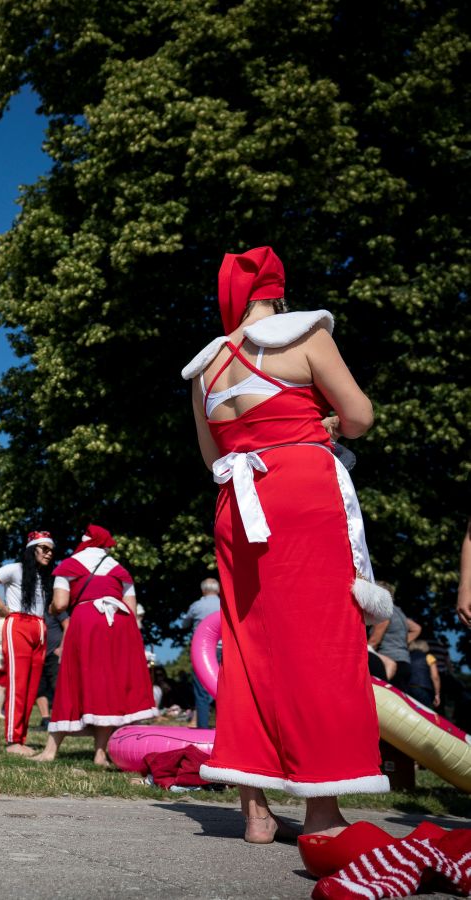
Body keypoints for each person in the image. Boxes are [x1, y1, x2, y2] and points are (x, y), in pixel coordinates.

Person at [183, 246, 390, 843]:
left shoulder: (206, 368)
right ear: (278, 291)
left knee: (249, 646)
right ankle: (322, 811)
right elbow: (359, 415)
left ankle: (255, 810)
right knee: (322, 640)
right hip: (301, 491)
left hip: (238, 503)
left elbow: (212, 457)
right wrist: (322, 425)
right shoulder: (306, 335)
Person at [32, 525, 156, 766]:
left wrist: (52, 610)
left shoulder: (68, 565)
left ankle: (50, 751)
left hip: (86, 623)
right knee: (109, 685)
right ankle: (100, 753)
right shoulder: (120, 569)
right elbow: (131, 609)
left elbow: (60, 602)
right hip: (120, 626)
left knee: (72, 682)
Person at [0, 530, 56, 755]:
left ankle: (21, 738)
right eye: (44, 549)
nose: (49, 554)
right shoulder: (15, 569)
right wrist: (1, 607)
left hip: (40, 628)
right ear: (33, 549)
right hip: (18, 624)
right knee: (18, 683)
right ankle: (13, 740)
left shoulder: (45, 576)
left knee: (32, 687)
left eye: (51, 550)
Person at [178, 578, 222, 729]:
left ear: (203, 590)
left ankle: (203, 728)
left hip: (202, 652)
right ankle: (226, 727)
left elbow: (184, 624)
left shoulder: (197, 605)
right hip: (225, 650)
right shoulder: (225, 604)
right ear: (218, 590)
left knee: (201, 691)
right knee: (224, 688)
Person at [367, 593, 420, 692]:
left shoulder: (384, 610)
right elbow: (416, 628)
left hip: (389, 660)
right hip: (404, 661)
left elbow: (374, 640)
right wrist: (401, 642)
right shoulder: (399, 612)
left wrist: (369, 647)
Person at [406, 638, 441, 710]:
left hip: (407, 688)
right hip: (423, 689)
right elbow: (435, 677)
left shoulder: (406, 656)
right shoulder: (429, 657)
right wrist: (437, 694)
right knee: (423, 713)